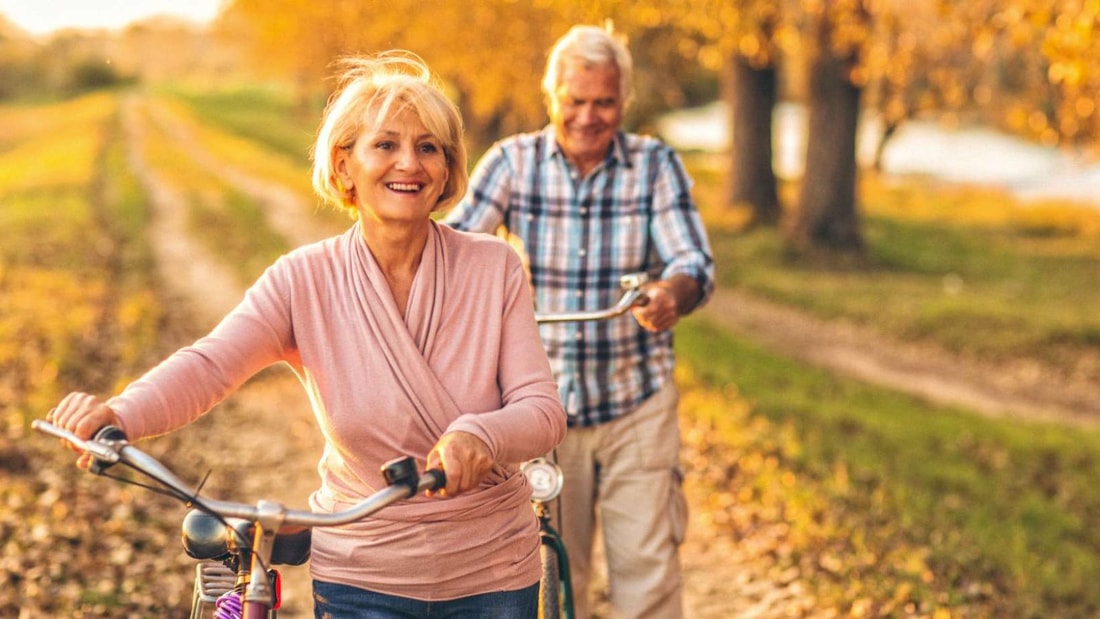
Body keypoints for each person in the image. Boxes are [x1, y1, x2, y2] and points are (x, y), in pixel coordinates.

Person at [46, 51, 566, 618]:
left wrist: (480, 437)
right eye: (386, 145)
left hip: (490, 570)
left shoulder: (493, 267)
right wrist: (119, 415)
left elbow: (541, 411)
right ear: (345, 165)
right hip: (362, 576)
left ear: (446, 170)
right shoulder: (302, 279)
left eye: (428, 147)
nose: (409, 163)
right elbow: (211, 364)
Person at [444, 24, 715, 619]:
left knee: (647, 578)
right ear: (552, 97)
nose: (589, 116)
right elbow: (453, 251)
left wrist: (672, 291)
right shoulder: (512, 162)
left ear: (624, 101)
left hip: (634, 404)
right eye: (576, 101)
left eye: (605, 102)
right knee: (554, 576)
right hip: (541, 409)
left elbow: (692, 260)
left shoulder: (653, 165)